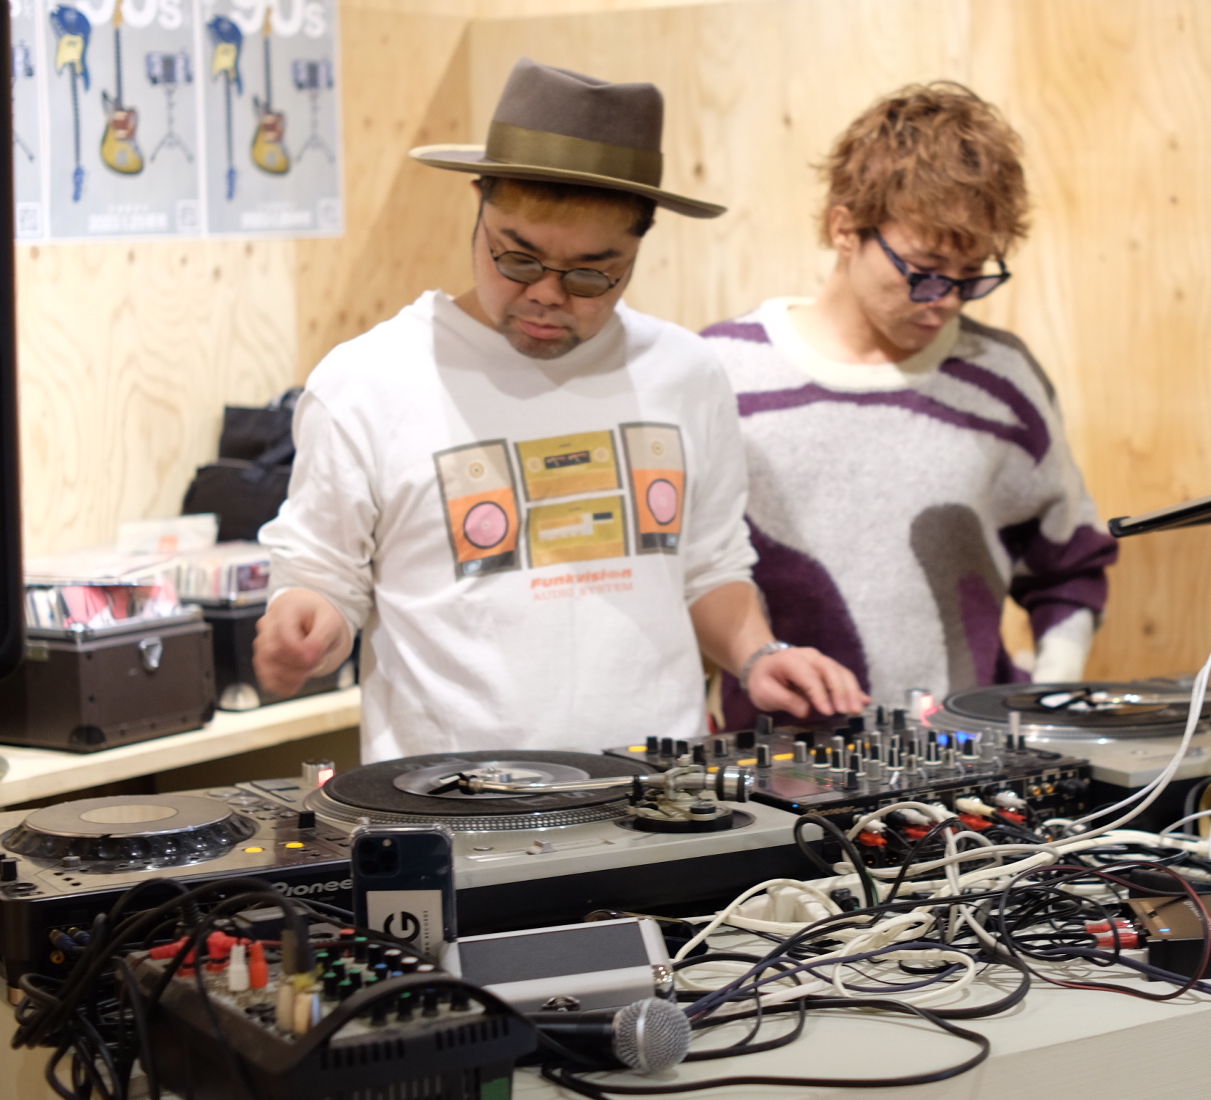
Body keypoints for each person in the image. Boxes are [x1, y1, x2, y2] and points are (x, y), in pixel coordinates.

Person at [253, 58, 864, 762]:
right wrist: (308, 622)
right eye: (517, 259)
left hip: (661, 795)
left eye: (591, 274)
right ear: (479, 202)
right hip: (449, 801)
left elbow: (707, 567)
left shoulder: (685, 374)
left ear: (639, 245)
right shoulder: (368, 380)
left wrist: (758, 655)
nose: (547, 294)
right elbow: (324, 577)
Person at [703, 81, 1117, 727]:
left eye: (971, 275)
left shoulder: (1002, 379)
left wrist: (1050, 705)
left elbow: (1068, 565)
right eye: (924, 270)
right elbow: (687, 572)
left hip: (971, 760)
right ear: (845, 228)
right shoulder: (721, 373)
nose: (946, 300)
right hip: (769, 766)